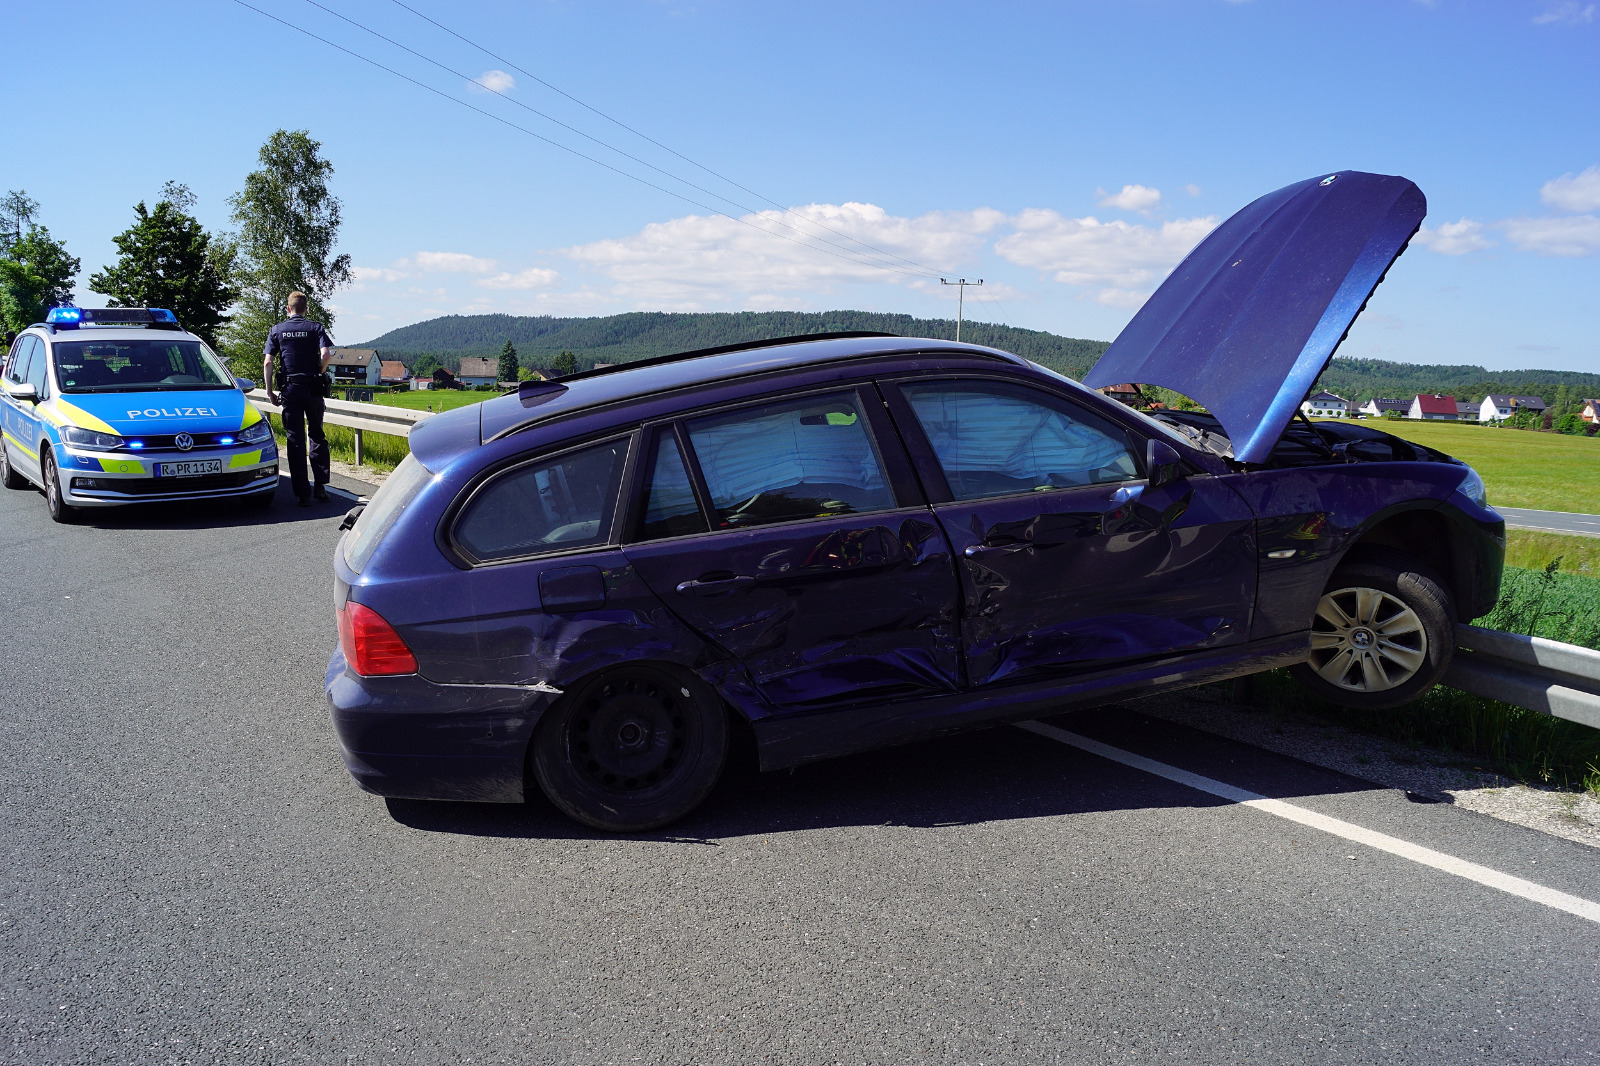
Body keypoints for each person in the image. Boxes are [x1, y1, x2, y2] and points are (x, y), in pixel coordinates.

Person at [263, 292, 334, 506]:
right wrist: (320, 372)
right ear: (305, 309)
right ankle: (320, 486)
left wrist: (269, 392)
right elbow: (326, 354)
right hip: (313, 388)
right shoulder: (315, 328)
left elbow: (268, 362)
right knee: (317, 434)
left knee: (295, 439)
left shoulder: (277, 330)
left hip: (290, 389)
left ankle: (303, 493)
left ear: (288, 308)